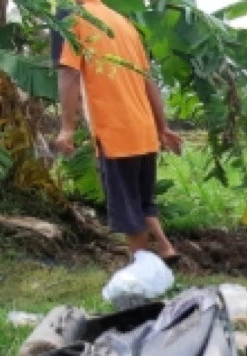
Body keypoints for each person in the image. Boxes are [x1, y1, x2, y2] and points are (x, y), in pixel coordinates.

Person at [51, 0, 183, 264]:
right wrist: (162, 127)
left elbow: (69, 74)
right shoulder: (123, 23)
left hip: (115, 131)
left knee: (129, 213)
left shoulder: (69, 17)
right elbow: (148, 80)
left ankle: (144, 272)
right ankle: (166, 249)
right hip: (143, 129)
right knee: (141, 201)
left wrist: (67, 128)